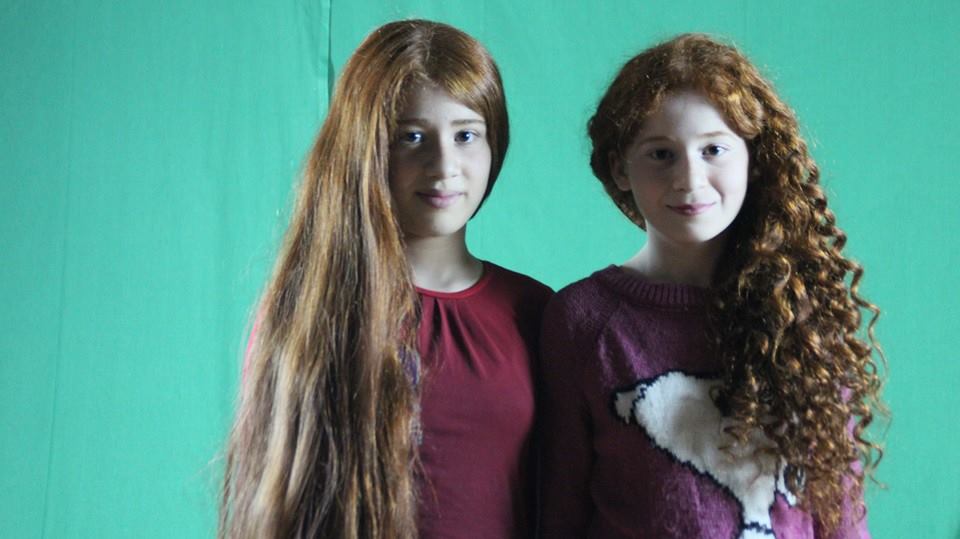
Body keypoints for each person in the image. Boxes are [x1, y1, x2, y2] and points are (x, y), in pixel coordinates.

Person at [539, 33, 885, 538]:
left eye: (714, 149)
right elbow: (560, 509)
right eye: (661, 154)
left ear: (753, 159)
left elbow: (843, 513)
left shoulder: (801, 313)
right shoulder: (584, 320)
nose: (690, 179)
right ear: (620, 168)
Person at [220, 19, 551, 538]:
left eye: (466, 135)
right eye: (412, 137)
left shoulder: (535, 311)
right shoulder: (307, 310)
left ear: (495, 144)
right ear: (366, 148)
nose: (444, 165)